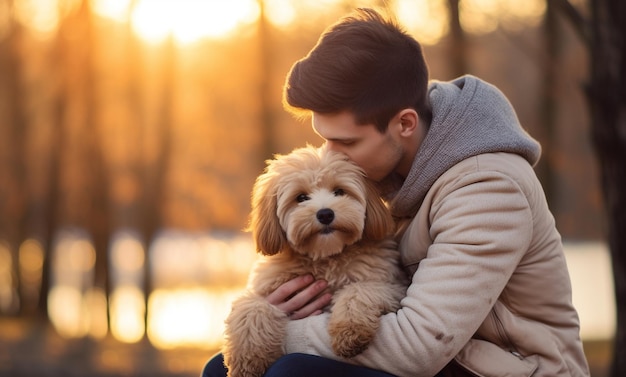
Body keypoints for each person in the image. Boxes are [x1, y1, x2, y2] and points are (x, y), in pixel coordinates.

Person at [202, 7, 590, 377]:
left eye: (346, 142)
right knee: (220, 370)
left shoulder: (489, 189)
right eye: (324, 140)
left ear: (404, 123)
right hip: (447, 366)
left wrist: (277, 335)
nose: (329, 156)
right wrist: (262, 319)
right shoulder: (386, 169)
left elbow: (420, 347)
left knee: (292, 370)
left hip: (506, 370)